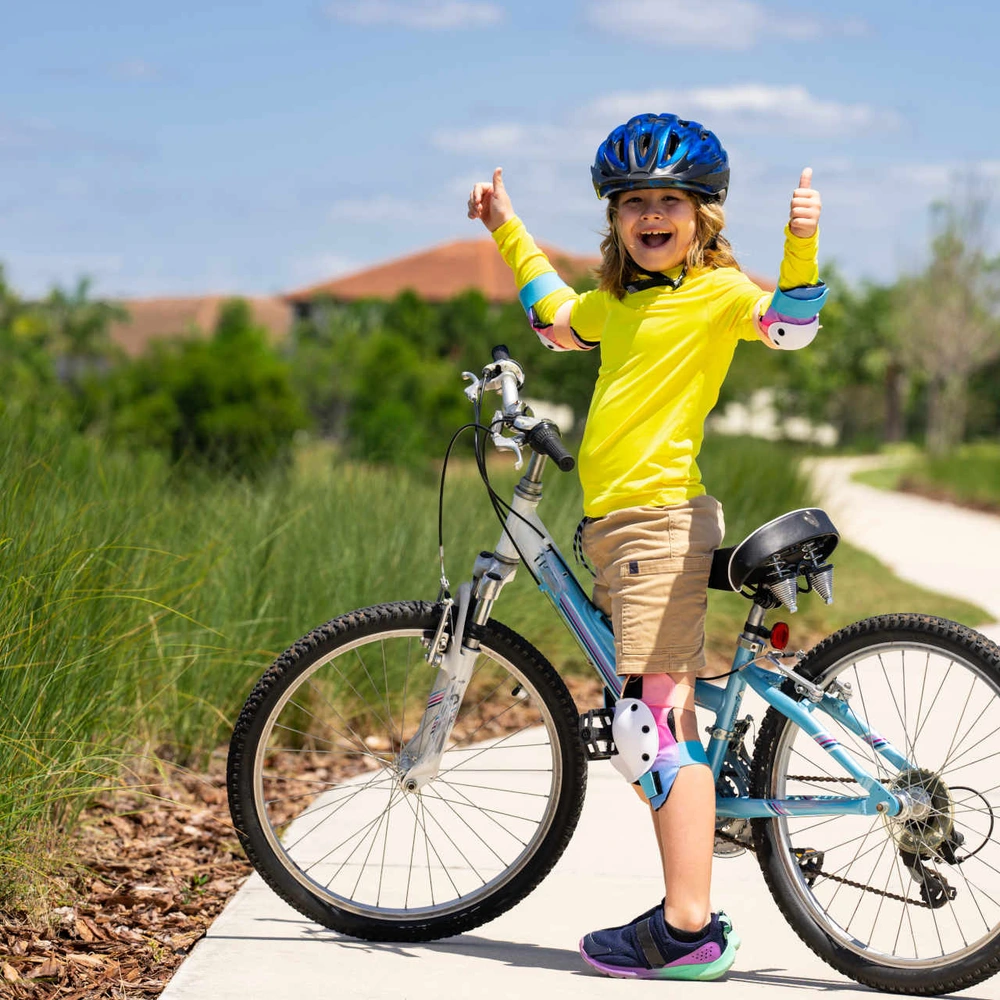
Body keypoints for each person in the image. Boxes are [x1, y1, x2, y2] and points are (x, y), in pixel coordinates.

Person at [467, 113, 824, 981]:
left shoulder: (717, 294)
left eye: (672, 200)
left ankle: (689, 927)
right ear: (614, 218)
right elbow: (554, 320)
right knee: (661, 724)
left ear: (705, 216)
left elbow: (789, 327)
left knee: (649, 729)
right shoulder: (617, 304)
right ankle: (697, 860)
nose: (652, 214)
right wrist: (506, 229)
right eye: (635, 202)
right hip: (623, 529)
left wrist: (801, 244)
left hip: (660, 522)